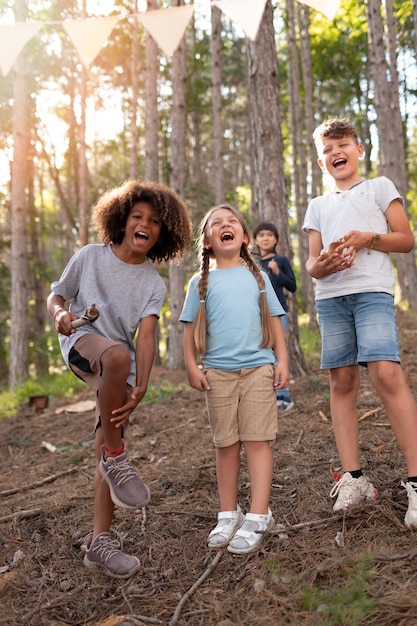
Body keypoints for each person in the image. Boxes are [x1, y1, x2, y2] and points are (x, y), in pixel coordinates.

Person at [47, 179, 192, 577]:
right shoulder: (91, 256)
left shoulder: (151, 283)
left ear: (164, 232)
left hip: (119, 369)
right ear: (122, 220)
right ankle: (116, 458)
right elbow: (57, 294)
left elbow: (146, 337)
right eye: (137, 216)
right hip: (83, 344)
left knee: (107, 432)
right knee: (114, 355)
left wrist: (142, 383)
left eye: (155, 221)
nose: (145, 224)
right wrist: (60, 314)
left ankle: (100, 542)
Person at [303, 117, 417, 527]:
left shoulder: (380, 187)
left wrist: (365, 237)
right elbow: (312, 265)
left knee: (386, 374)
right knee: (342, 381)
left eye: (343, 145)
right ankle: (353, 479)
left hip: (372, 293)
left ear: (358, 150)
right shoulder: (317, 206)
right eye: (328, 149)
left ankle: (416, 481)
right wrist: (326, 263)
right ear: (321, 162)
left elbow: (405, 239)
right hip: (331, 299)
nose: (337, 152)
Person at [180, 204, 289, 554]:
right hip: (217, 372)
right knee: (225, 443)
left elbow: (275, 319)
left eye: (232, 223)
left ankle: (259, 514)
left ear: (244, 237)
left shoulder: (258, 277)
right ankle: (229, 513)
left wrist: (282, 360)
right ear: (208, 241)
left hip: (258, 367)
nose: (225, 226)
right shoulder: (200, 282)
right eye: (217, 224)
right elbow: (187, 329)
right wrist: (192, 366)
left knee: (257, 440)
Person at [253, 221, 297, 411]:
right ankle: (264, 395)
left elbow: (292, 286)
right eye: (261, 235)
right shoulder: (252, 264)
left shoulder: (280, 261)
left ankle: (283, 397)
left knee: (277, 352)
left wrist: (277, 272)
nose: (265, 238)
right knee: (262, 354)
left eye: (270, 235)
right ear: (255, 240)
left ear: (276, 240)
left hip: (278, 313)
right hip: (257, 316)